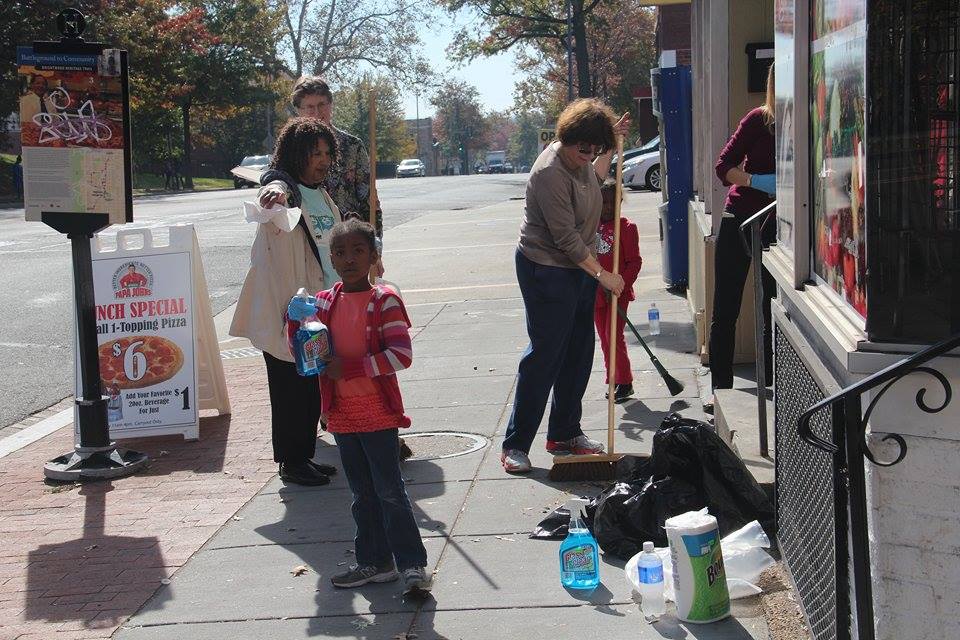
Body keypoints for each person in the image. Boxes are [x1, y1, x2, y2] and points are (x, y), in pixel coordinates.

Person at [285, 219, 431, 595]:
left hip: (377, 412)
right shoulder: (323, 303)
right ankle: (375, 561)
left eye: (358, 251)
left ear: (373, 256)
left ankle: (413, 565)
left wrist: (349, 368)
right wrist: (294, 322)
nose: (348, 259)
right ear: (330, 257)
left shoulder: (384, 301)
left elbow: (401, 355)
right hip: (342, 415)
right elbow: (303, 351)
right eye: (340, 252)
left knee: (389, 491)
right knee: (362, 493)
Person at [501, 98, 629, 474]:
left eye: (596, 150)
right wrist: (603, 274)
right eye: (584, 149)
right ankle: (515, 444)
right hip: (546, 269)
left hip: (578, 269)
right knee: (545, 355)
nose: (589, 157)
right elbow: (566, 240)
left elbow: (597, 177)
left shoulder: (585, 161)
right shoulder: (550, 172)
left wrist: (613, 144)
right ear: (566, 138)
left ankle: (565, 433)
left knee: (578, 352)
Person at [229, 117, 343, 486]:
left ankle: (303, 455)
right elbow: (271, 183)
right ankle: (291, 463)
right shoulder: (288, 187)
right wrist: (273, 191)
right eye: (315, 153)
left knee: (309, 385)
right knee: (289, 387)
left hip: (317, 306)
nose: (323, 160)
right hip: (287, 308)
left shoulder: (321, 192)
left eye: (327, 152)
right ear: (297, 155)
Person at [708, 63, 777, 411]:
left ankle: (773, 386)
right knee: (726, 308)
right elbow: (723, 167)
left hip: (780, 224)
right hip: (741, 217)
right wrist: (757, 181)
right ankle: (720, 389)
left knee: (772, 307)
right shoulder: (759, 119)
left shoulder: (812, 120)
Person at [594, 179, 642, 403]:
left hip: (617, 293)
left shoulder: (627, 227)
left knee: (614, 336)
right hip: (596, 294)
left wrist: (619, 284)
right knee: (604, 338)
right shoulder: (592, 228)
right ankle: (612, 377)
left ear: (620, 202)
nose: (607, 208)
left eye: (612, 203)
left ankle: (625, 381)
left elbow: (634, 262)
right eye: (602, 203)